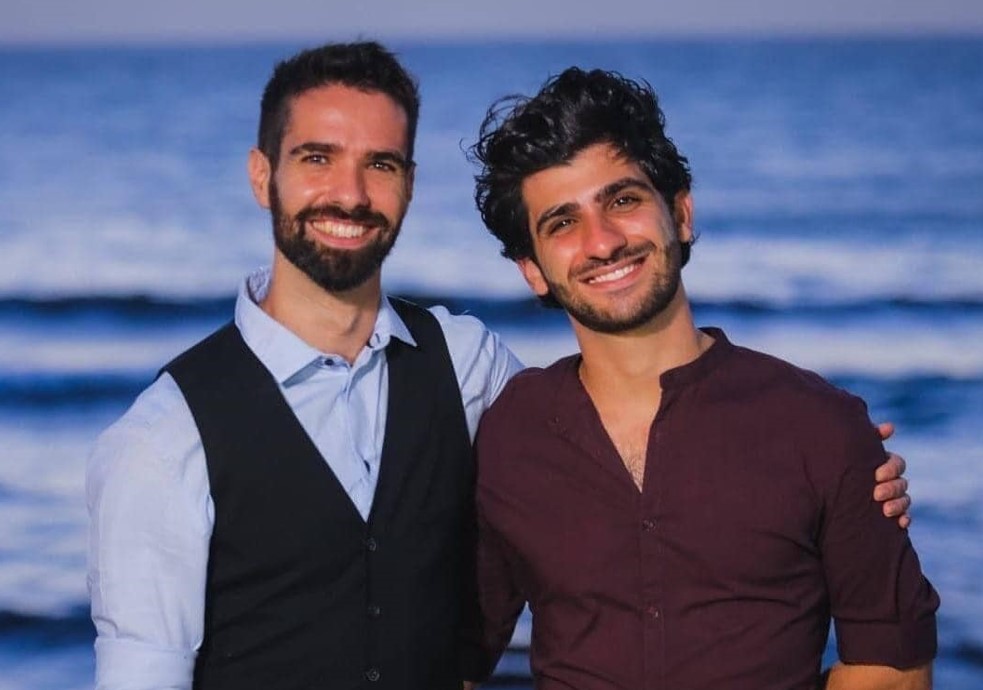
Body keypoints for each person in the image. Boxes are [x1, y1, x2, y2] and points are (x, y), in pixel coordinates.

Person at [86, 42, 911, 690]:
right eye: (316, 158)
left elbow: (620, 411)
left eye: (380, 164)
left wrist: (840, 459)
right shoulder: (164, 436)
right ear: (262, 175)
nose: (351, 193)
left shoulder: (468, 367)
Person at [468, 68, 939, 690]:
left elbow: (893, 667)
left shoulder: (819, 426)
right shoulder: (509, 434)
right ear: (533, 270)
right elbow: (452, 655)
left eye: (623, 201)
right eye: (562, 223)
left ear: (680, 213)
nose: (602, 242)